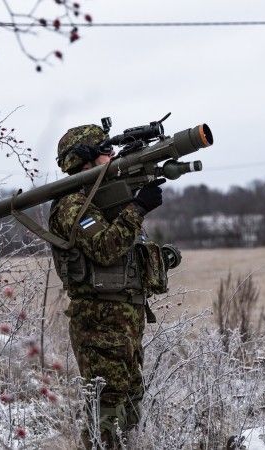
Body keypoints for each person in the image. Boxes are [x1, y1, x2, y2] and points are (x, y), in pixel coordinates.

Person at [48, 124, 165, 448]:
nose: (110, 153)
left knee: (130, 399)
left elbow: (123, 252)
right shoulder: (71, 204)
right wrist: (138, 208)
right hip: (99, 320)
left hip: (123, 317)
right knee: (107, 406)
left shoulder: (104, 198)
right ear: (82, 158)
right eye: (103, 148)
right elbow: (104, 247)